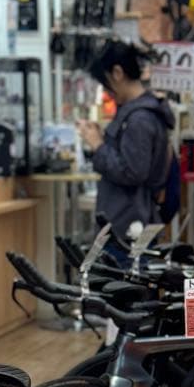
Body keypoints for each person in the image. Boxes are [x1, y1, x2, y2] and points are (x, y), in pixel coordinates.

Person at [78, 42, 174, 265]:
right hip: (129, 223)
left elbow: (132, 172)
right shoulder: (140, 113)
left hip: (128, 227)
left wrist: (98, 146)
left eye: (106, 83)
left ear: (117, 73)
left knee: (122, 283)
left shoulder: (139, 119)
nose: (107, 92)